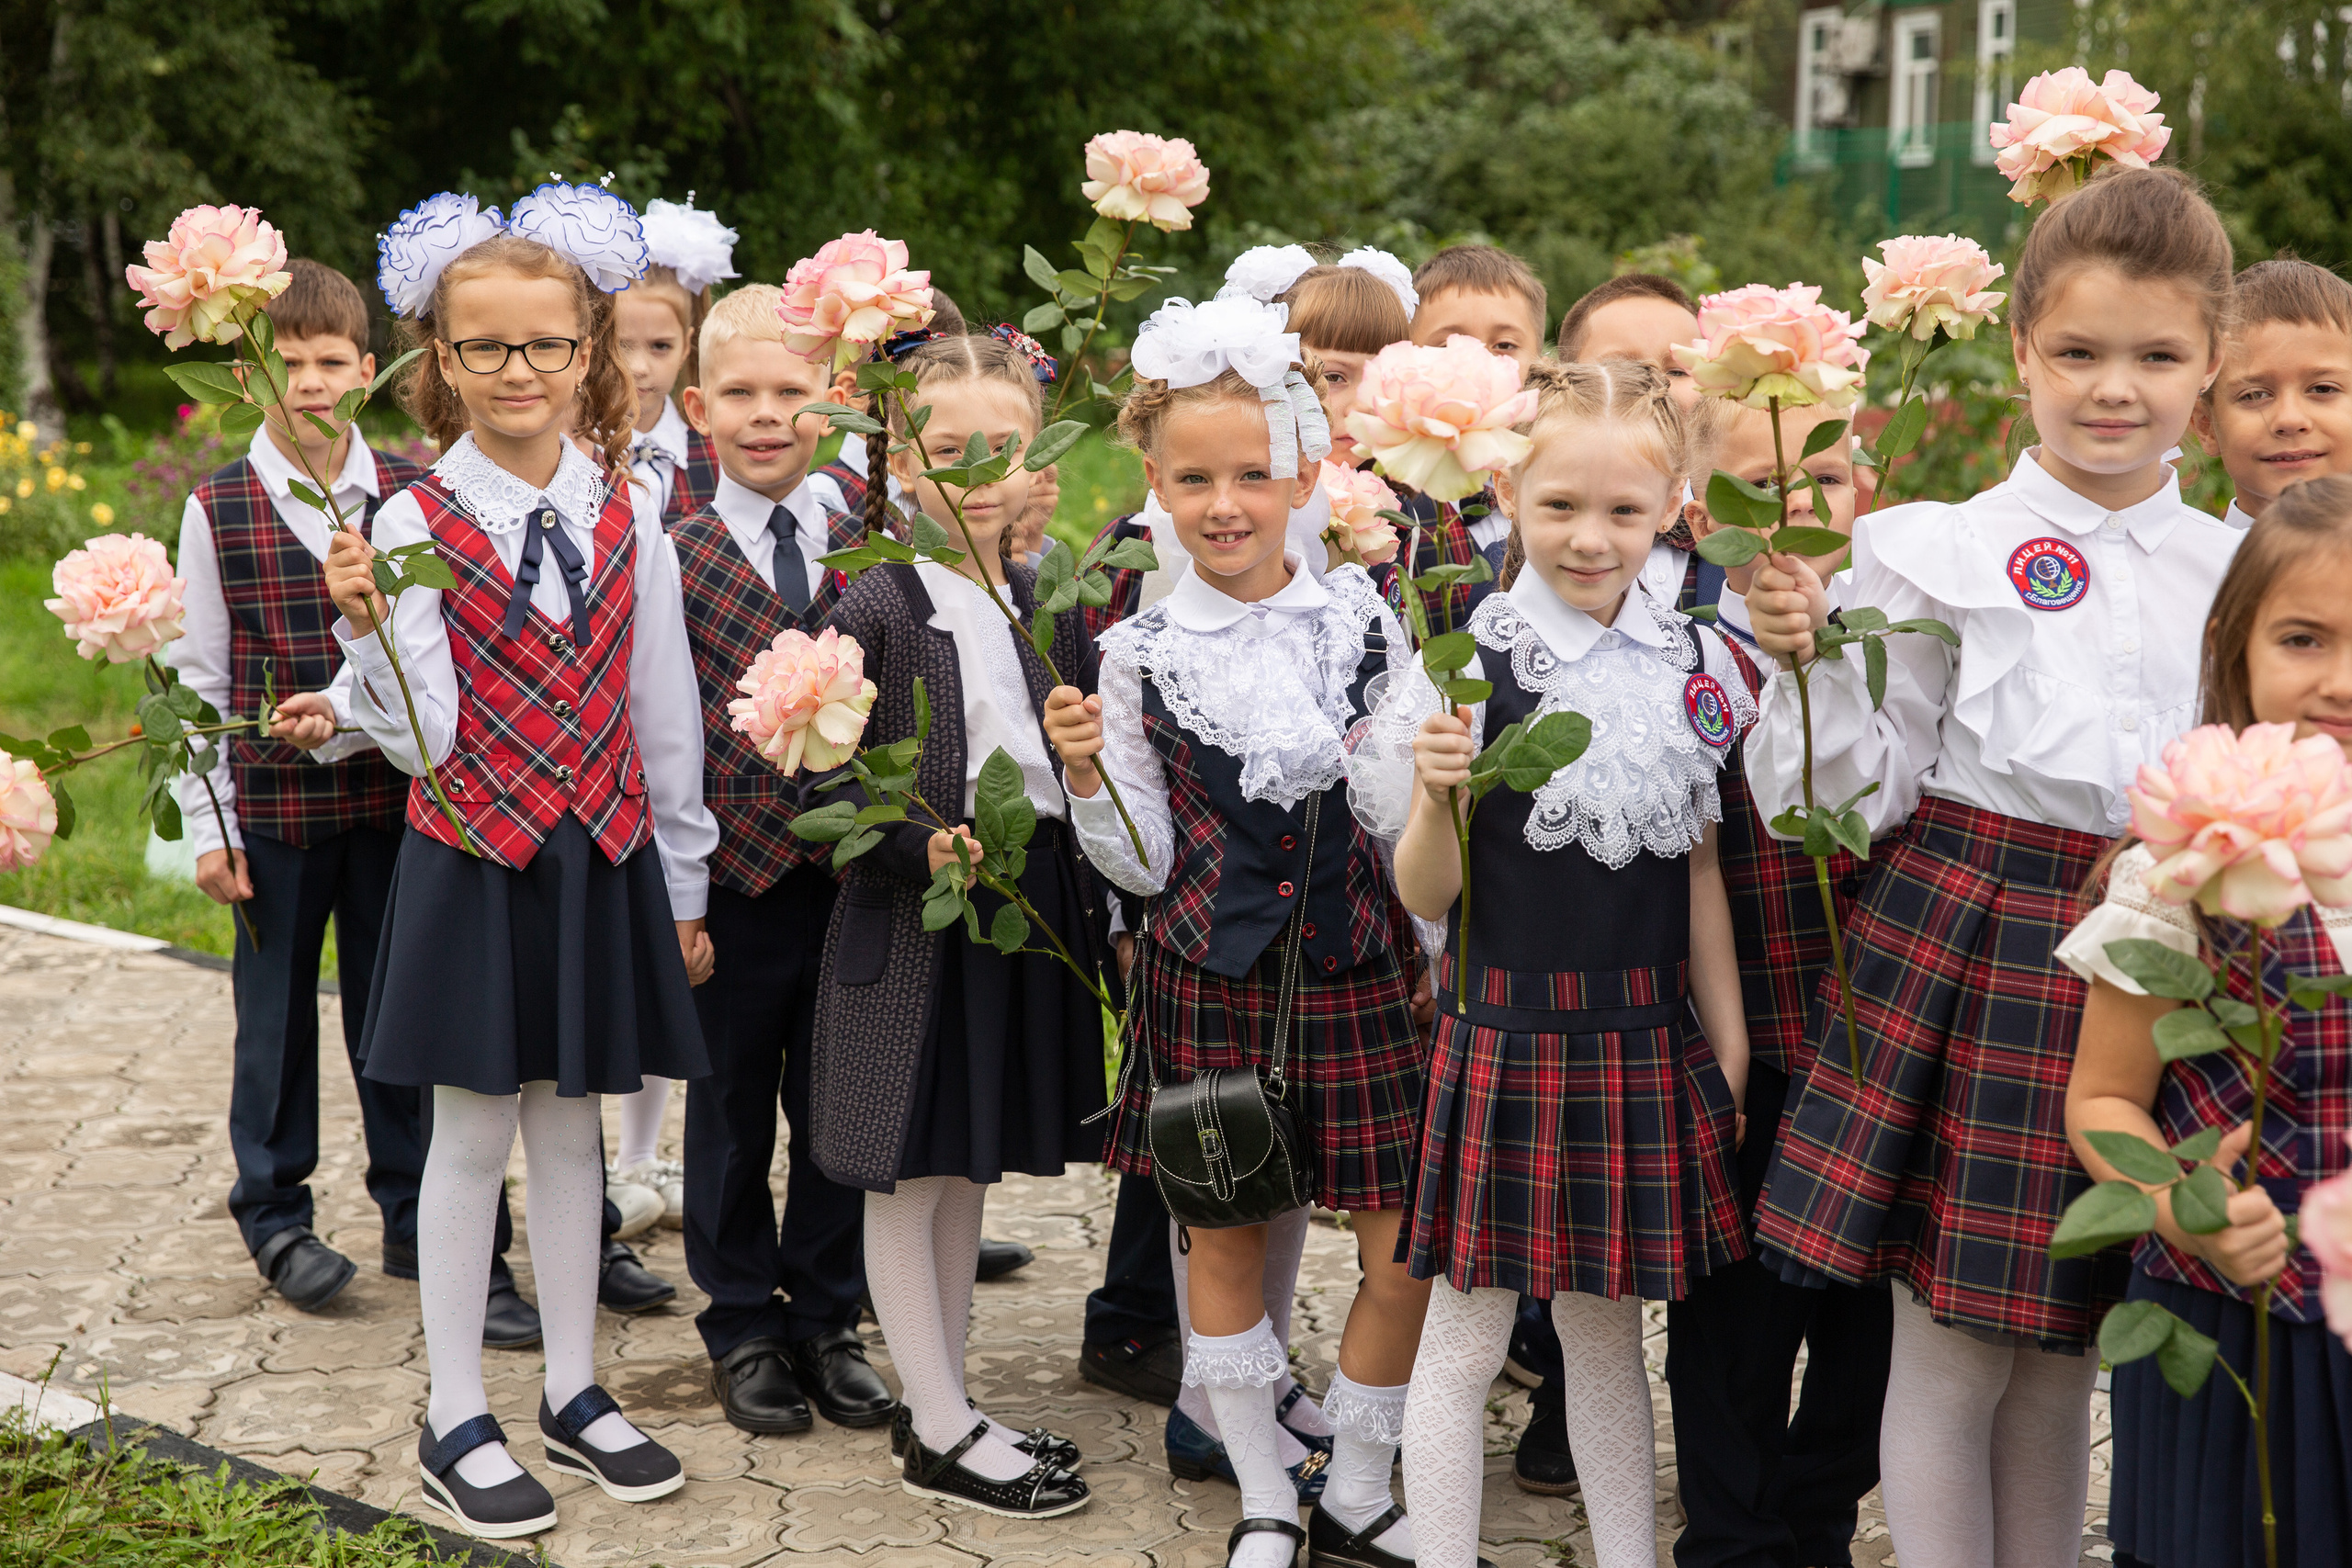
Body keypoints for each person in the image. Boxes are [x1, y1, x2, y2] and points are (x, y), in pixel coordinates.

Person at [1742, 164, 2243, 1568]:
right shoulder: (1933, 550)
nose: (2114, 388)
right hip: (1979, 936)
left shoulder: (2238, 566)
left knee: (2066, 1339)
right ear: (2020, 348)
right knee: (1953, 1339)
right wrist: (1806, 664)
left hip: (2165, 949)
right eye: (2077, 351)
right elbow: (1838, 798)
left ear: (2210, 361)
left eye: (2157, 356)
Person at [323, 186, 718, 1539]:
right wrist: (369, 631)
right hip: (477, 859)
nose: (517, 372)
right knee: (472, 1131)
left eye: (546, 344)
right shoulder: (409, 522)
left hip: (598, 855)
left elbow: (663, 706)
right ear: (441, 358)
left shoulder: (628, 509)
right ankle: (453, 1408)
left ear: (587, 348)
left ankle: (570, 1385)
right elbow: (419, 738)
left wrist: (682, 881)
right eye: (483, 347)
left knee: (571, 1127)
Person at [1046, 295, 1431, 1568]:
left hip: (1356, 970)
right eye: (1195, 480)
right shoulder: (1138, 652)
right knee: (1220, 1245)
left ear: (1305, 478)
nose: (1225, 505)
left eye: (1253, 476)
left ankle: (1357, 1484)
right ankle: (1264, 1490)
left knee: (1403, 1252)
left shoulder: (1367, 619)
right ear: (1153, 488)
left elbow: (1394, 817)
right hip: (1207, 976)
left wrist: (1430, 769)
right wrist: (1087, 777)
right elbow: (1144, 862)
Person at [1368, 358, 1750, 1568]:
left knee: (1605, 1335)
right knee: (1464, 1338)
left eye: (1624, 510)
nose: (1592, 537)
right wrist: (1435, 794)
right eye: (1560, 506)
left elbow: (1697, 871)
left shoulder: (1690, 660)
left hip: (1641, 1036)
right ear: (1506, 494)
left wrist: (1729, 1043)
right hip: (1506, 1031)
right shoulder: (1464, 660)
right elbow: (1425, 895)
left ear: (1673, 505)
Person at [807, 330, 1106, 1521]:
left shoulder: (1042, 596)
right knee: (908, 1173)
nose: (977, 473)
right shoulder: (877, 599)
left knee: (966, 1162)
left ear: (1038, 456)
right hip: (914, 926)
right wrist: (912, 842)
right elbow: (818, 780)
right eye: (947, 449)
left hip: (1020, 908)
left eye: (1003, 448)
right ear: (897, 451)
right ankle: (933, 1426)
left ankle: (952, 1402)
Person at [2061, 476, 2352, 1568]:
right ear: (2234, 643)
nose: (2340, 679)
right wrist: (2181, 1211)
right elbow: (2103, 1097)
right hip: (2247, 1314)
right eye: (2303, 639)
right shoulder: (2184, 865)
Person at [165, 258, 427, 1312]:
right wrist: (209, 825)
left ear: (366, 370)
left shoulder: (409, 494)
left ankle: (417, 1210)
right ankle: (275, 1216)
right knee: (273, 1021)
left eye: (330, 362)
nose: (310, 383)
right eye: (288, 365)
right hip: (273, 816)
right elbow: (197, 678)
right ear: (251, 378)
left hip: (394, 807)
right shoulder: (219, 506)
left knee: (396, 1014)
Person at [1664, 395, 1893, 1568]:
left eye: (1825, 486)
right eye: (1758, 491)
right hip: (1744, 1026)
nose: (1793, 515)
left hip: (1875, 1040)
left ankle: (1819, 1524)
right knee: (1737, 1321)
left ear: (1866, 499)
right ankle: (1730, 1537)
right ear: (1696, 513)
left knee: (1866, 1323)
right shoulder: (1682, 661)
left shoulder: (1894, 645)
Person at [666, 282, 893, 1437]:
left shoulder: (872, 538)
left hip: (855, 878)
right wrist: (679, 894)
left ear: (833, 399)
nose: (765, 416)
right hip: (735, 884)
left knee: (837, 1104)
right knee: (730, 1108)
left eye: (790, 392)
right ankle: (743, 1322)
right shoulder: (671, 552)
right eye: (739, 394)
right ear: (696, 407)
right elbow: (661, 731)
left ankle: (828, 1317)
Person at [1396, 244, 1549, 629]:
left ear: (1541, 365)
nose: (1478, 362)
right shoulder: (1395, 503)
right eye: (1448, 345)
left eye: (1504, 346)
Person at [2194, 256, 2352, 530]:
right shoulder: (2180, 559)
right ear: (2206, 426)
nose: (2290, 420)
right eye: (2255, 395)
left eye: (2323, 389)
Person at [618, 197, 736, 530]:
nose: (639, 367)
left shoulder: (721, 457)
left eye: (661, 346)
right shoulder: (568, 450)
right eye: (621, 344)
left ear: (686, 345)